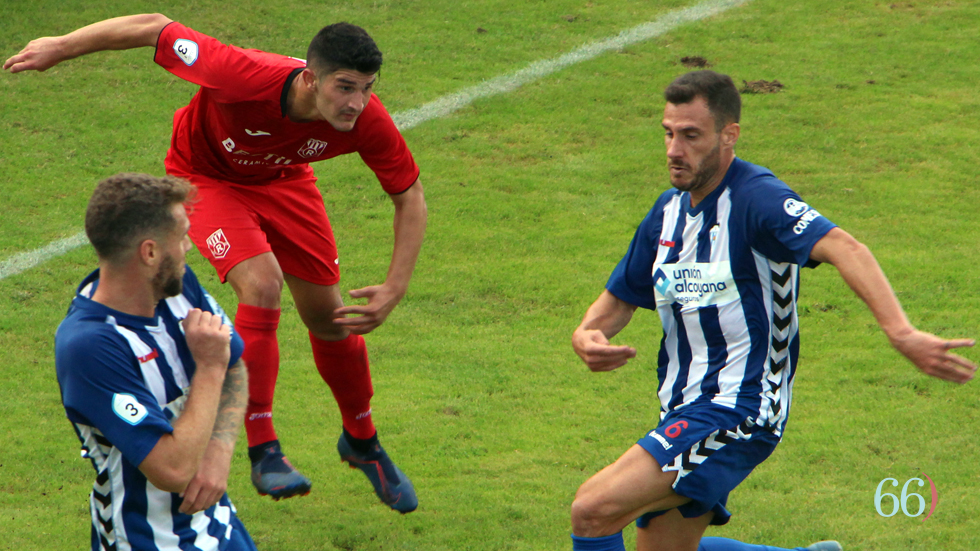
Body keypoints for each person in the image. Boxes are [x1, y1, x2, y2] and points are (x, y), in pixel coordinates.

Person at [8, 13, 425, 510]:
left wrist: (395, 287)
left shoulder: (365, 118)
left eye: (367, 88)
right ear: (311, 79)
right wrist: (61, 45)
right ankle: (263, 445)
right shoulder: (240, 74)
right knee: (263, 285)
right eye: (345, 87)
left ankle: (361, 440)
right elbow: (154, 27)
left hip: (284, 180)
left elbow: (410, 195)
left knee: (330, 318)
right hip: (205, 177)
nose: (356, 102)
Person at [568, 70, 976, 551]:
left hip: (740, 409)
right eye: (668, 133)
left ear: (728, 135)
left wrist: (901, 332)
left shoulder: (757, 199)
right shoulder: (668, 212)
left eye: (691, 135)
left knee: (592, 510)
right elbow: (622, 296)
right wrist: (588, 332)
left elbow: (847, 248)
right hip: (682, 407)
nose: (675, 149)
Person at [54, 173, 255, 551]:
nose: (188, 248)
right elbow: (173, 469)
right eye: (181, 237)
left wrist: (218, 453)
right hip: (149, 540)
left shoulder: (176, 287)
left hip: (219, 527)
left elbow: (235, 366)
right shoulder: (90, 347)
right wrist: (209, 366)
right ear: (149, 253)